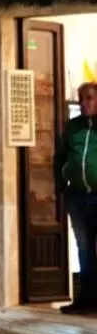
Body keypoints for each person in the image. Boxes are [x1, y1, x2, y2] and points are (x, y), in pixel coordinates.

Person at [56, 81, 97, 315]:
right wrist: (62, 187)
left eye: (89, 98)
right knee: (84, 248)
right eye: (81, 99)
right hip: (78, 197)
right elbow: (59, 157)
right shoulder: (73, 128)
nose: (84, 103)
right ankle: (87, 299)